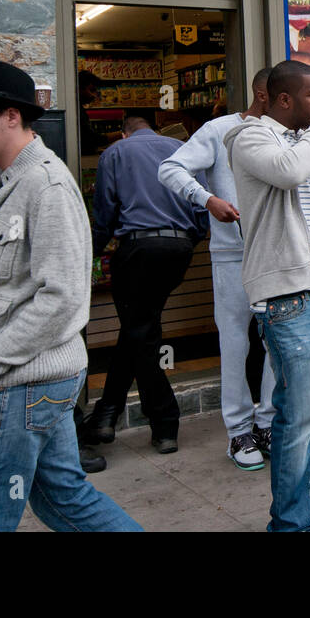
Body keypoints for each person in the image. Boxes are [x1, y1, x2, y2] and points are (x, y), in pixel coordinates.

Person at [0, 59, 139, 532]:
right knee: (65, 499)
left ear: (11, 116)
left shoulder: (44, 185)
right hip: (30, 383)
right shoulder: (10, 180)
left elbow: (63, 296)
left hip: (17, 384)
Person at [225, 60, 310, 532]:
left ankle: (307, 507)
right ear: (283, 100)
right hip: (286, 299)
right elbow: (288, 172)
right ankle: (288, 523)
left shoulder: (309, 145)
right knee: (297, 419)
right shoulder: (250, 138)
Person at [158, 67, 274, 471]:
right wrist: (206, 199)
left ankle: (269, 423)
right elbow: (170, 168)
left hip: (279, 256)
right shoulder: (219, 129)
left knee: (278, 341)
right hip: (233, 255)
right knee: (235, 344)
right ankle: (239, 430)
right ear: (265, 95)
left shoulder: (289, 132)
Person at [86, 112, 208, 454]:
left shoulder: (116, 153)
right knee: (139, 331)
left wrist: (92, 253)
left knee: (139, 331)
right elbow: (201, 202)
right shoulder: (181, 147)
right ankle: (107, 418)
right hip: (178, 248)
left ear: (124, 132)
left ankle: (162, 422)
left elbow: (105, 210)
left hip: (137, 249)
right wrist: (190, 239)